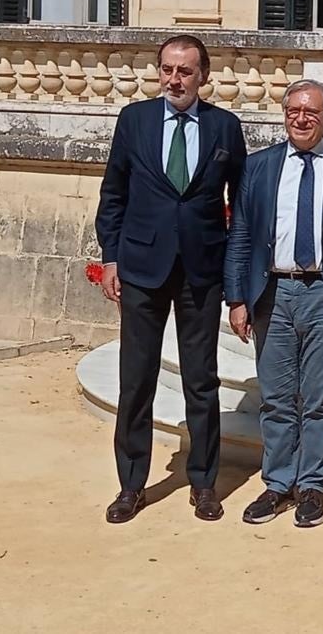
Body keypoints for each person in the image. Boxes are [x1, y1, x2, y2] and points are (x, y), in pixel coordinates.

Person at [95, 34, 247, 523]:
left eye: (184, 71)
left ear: (204, 75)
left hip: (200, 274)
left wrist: (235, 275)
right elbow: (113, 193)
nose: (174, 79)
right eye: (167, 70)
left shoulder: (225, 128)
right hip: (141, 268)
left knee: (201, 380)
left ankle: (204, 482)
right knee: (135, 379)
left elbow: (239, 208)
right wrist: (111, 258)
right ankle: (131, 484)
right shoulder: (134, 121)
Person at [223, 79, 323, 527]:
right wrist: (236, 298)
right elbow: (242, 234)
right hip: (273, 294)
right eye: (294, 111)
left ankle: (312, 486)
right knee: (278, 397)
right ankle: (277, 483)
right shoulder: (260, 167)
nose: (302, 119)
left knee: (322, 399)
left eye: (311, 112)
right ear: (284, 115)